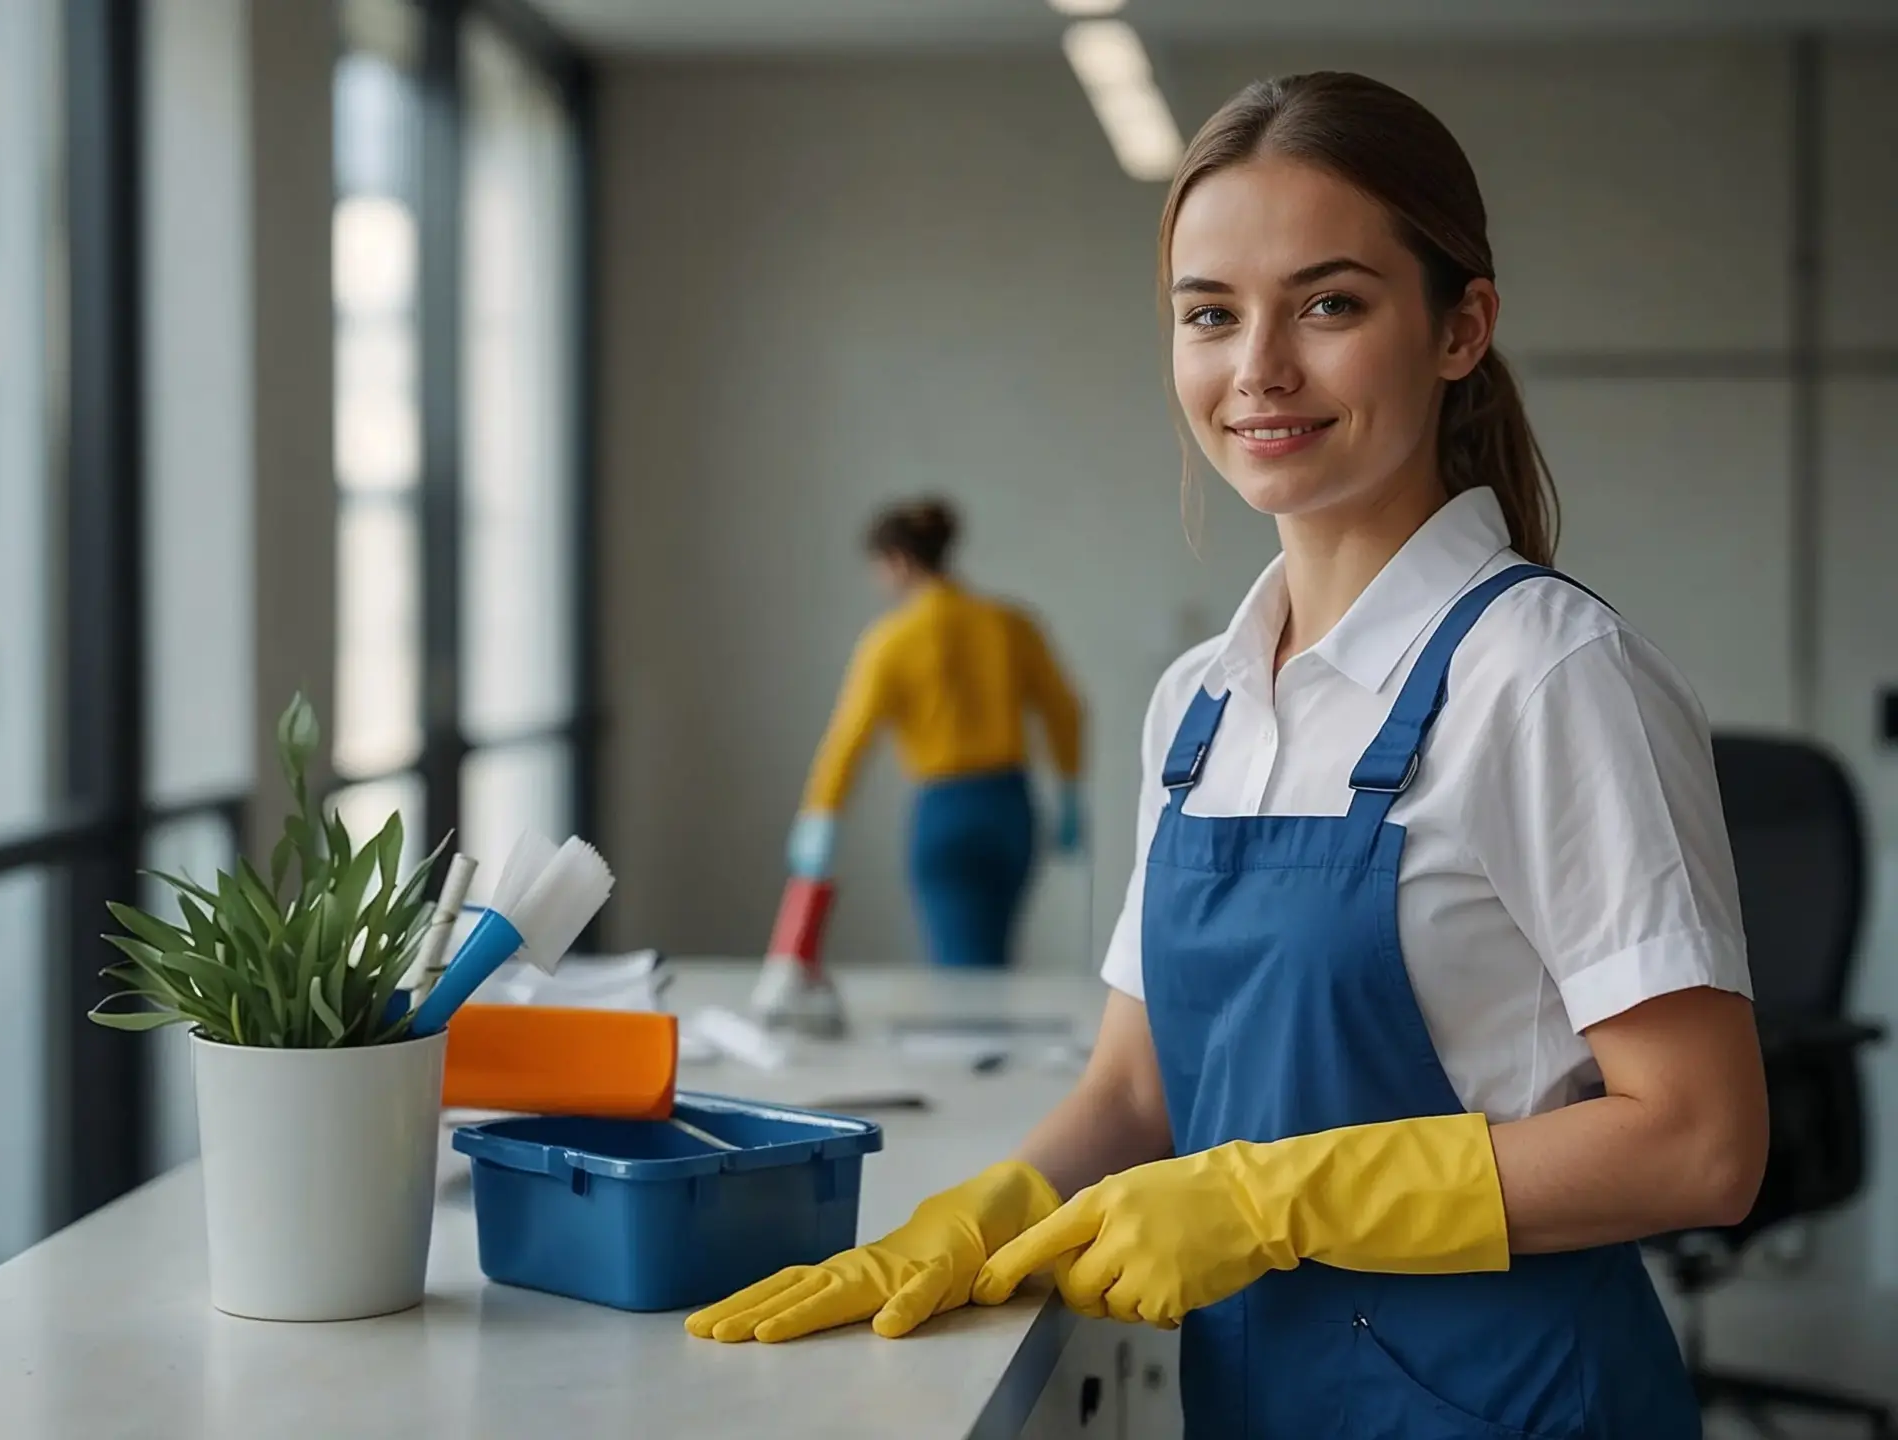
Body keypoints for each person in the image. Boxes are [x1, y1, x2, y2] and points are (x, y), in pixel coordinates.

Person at [691, 71, 1767, 1439]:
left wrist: (1274, 1200)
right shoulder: (1196, 707)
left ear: (1460, 328)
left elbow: (1701, 1142)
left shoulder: (1550, 678)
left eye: (1328, 305)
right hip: (1268, 1401)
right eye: (1209, 314)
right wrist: (987, 1212)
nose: (1257, 368)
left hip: (1511, 1408)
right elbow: (1137, 1088)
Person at [780, 497, 1087, 973]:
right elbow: (1065, 710)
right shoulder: (1010, 625)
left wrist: (821, 813)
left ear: (899, 560)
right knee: (994, 957)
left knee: (960, 969)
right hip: (1010, 807)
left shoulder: (891, 640)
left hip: (946, 811)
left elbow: (849, 738)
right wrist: (1068, 787)